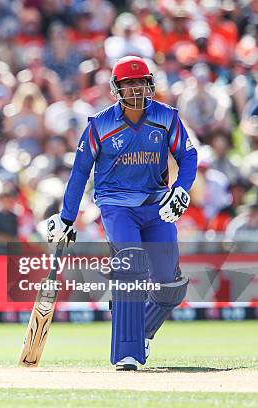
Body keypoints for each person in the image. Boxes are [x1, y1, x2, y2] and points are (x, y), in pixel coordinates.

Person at [47, 56, 197, 371]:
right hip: (116, 206)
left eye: (140, 82)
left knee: (170, 284)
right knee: (131, 269)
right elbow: (79, 174)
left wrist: (181, 189)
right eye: (129, 83)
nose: (135, 89)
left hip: (157, 206)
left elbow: (188, 155)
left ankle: (137, 329)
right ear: (117, 88)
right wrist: (65, 218)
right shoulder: (99, 124)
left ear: (150, 84)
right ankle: (127, 352)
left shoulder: (166, 118)